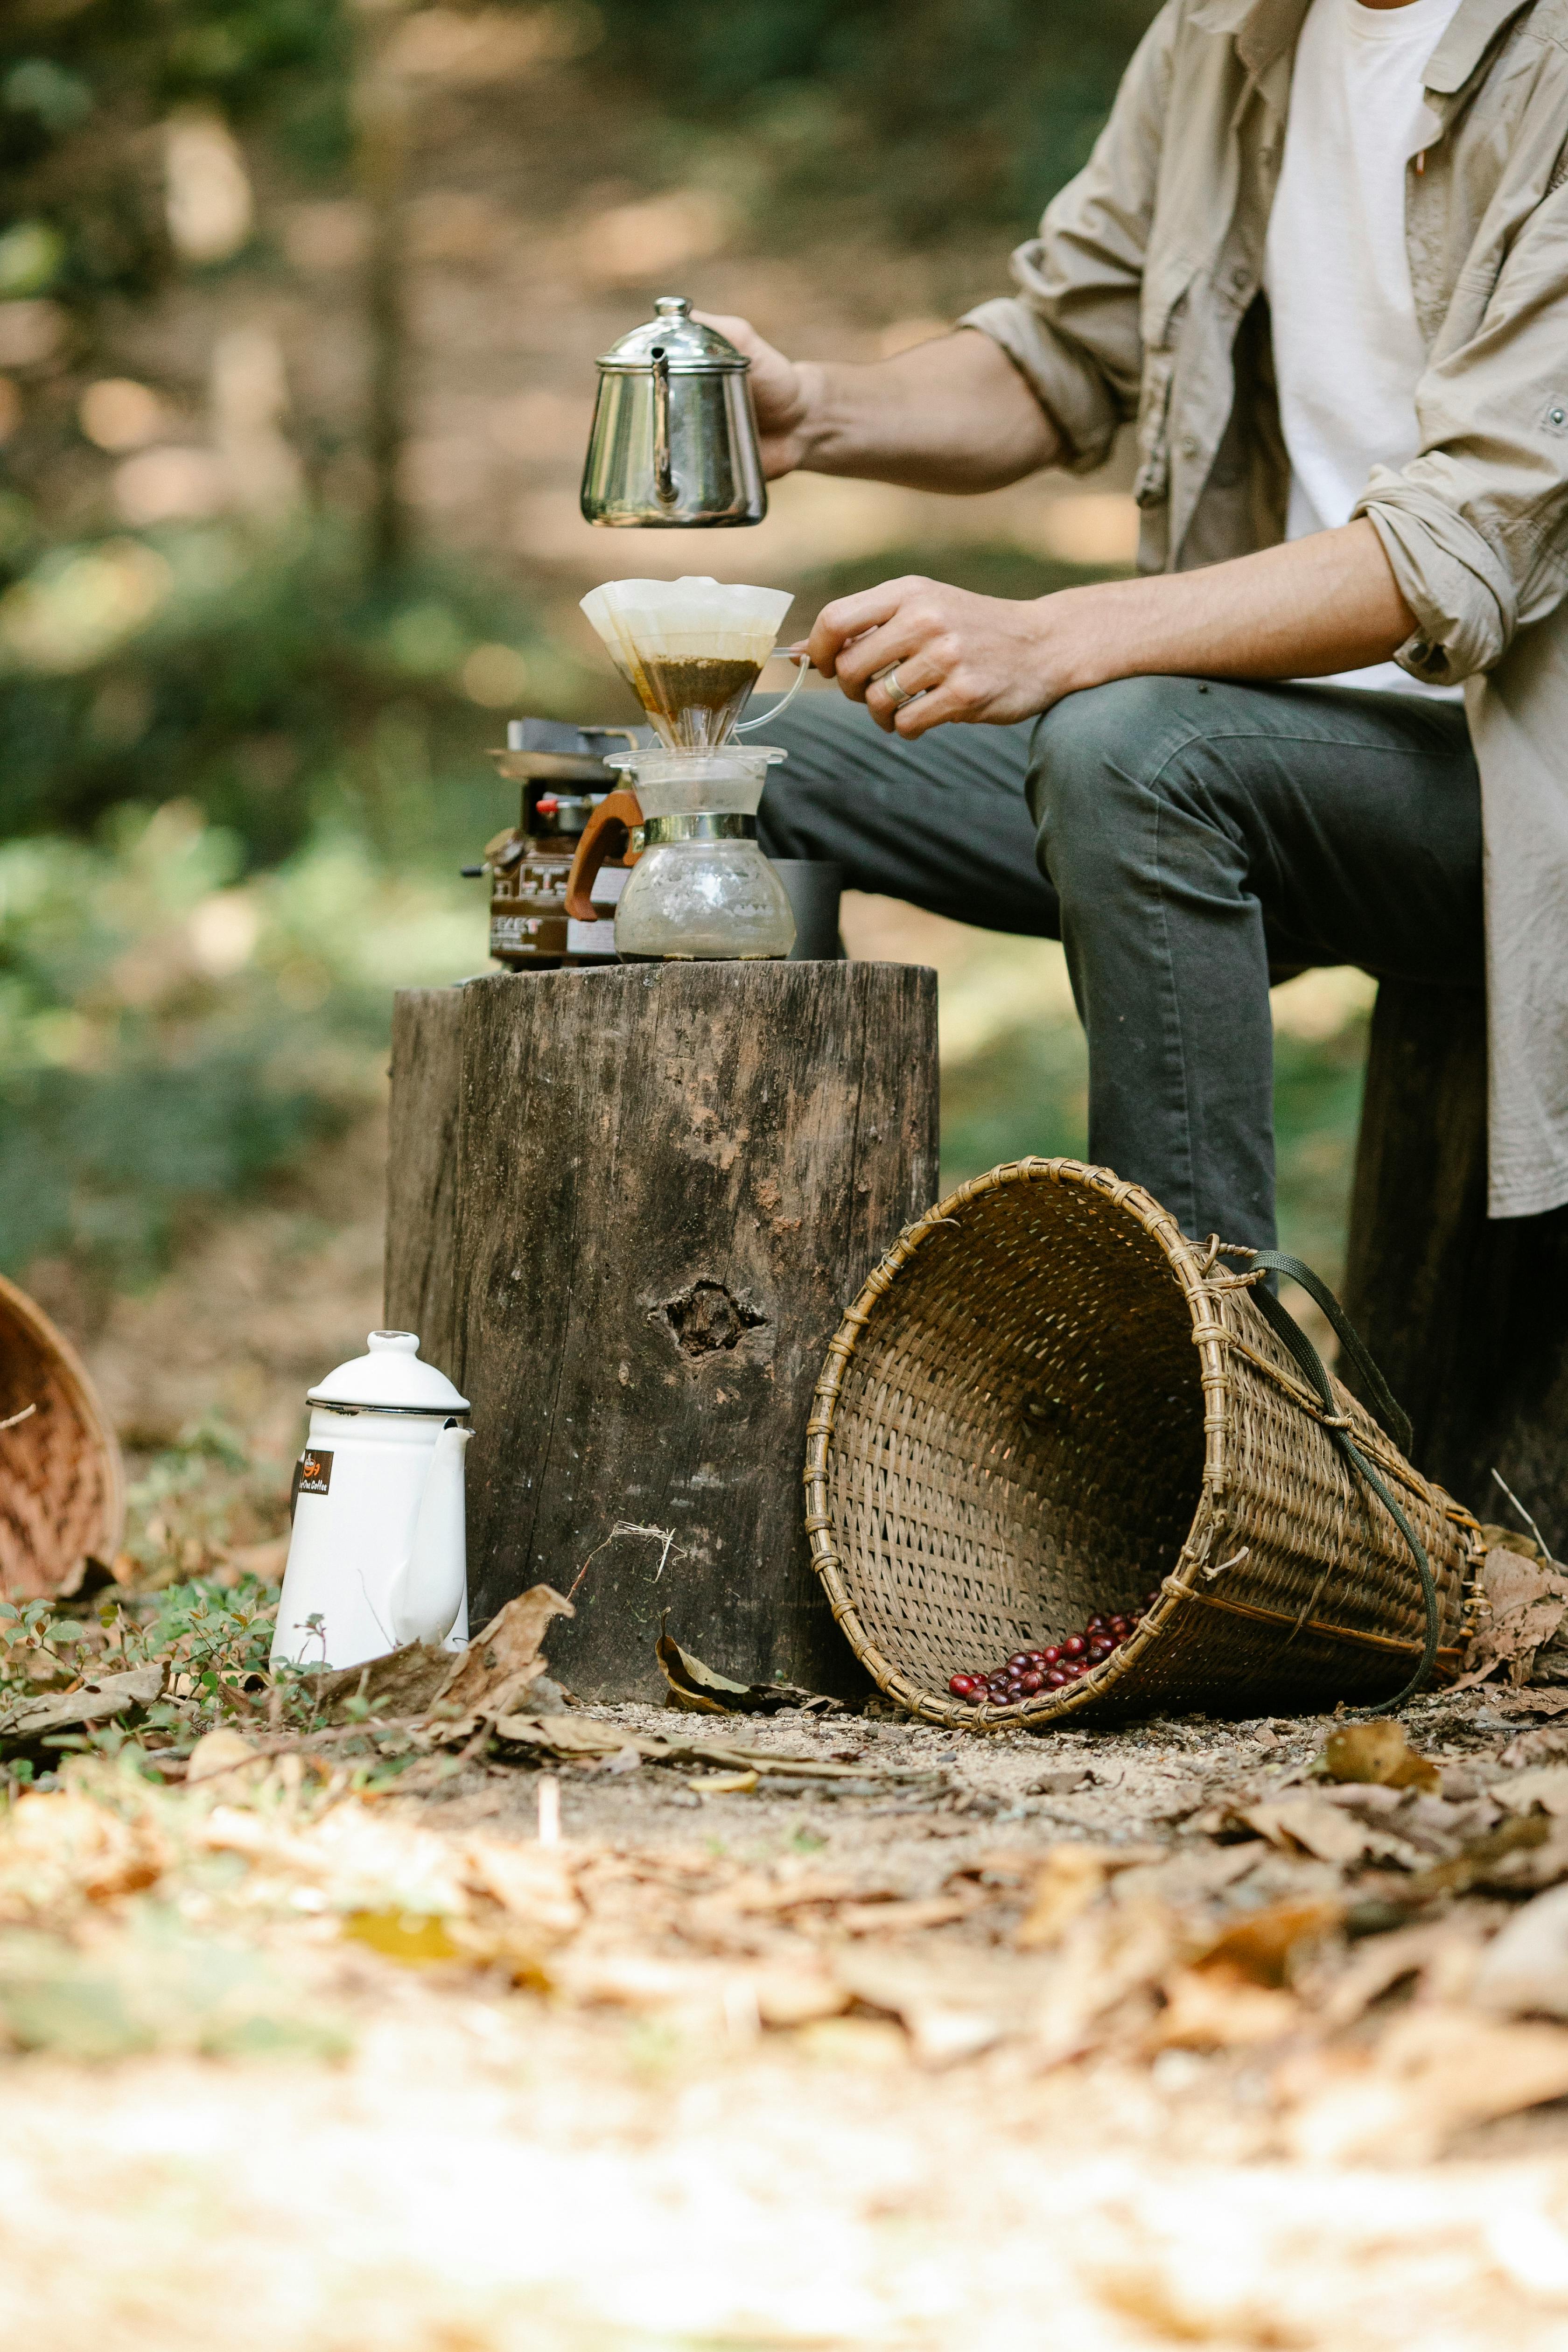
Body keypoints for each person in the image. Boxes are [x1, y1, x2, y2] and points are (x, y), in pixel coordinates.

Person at [718, 0, 1568, 1251]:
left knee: (1136, 747)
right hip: (1279, 754)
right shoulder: (1227, 31)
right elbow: (1065, 348)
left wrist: (1057, 638)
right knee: (735, 776)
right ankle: (791, 1339)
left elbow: (1469, 540)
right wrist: (817, 414)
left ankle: (1204, 1393)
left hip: (1518, 786)